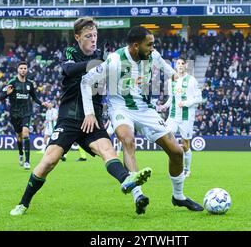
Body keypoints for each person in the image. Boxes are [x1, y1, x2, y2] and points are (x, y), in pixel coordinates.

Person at [10, 17, 151, 216]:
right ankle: (23, 203)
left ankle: (134, 189)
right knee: (50, 160)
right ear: (77, 38)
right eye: (88, 36)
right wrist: (97, 63)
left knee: (108, 152)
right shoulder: (71, 53)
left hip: (92, 117)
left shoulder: (102, 55)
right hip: (69, 117)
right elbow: (67, 69)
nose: (93, 40)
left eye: (95, 35)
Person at [81, 26, 204, 215]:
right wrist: (89, 113)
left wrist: (182, 83)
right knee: (128, 141)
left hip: (146, 109)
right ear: (136, 46)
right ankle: (138, 195)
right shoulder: (114, 60)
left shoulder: (152, 56)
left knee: (177, 152)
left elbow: (170, 71)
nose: (153, 48)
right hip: (121, 107)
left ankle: (178, 196)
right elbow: (86, 81)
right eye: (150, 45)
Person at [0, 61, 51, 169]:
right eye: (21, 68)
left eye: (25, 68)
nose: (23, 70)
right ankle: (20, 153)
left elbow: (34, 97)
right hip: (14, 114)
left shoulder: (30, 84)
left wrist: (42, 103)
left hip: (26, 112)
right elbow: (1, 97)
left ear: (27, 70)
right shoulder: (12, 82)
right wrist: (6, 94)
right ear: (18, 70)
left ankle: (27, 161)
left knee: (26, 133)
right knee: (19, 137)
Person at [157, 57, 203, 177]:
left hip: (186, 117)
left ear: (186, 65)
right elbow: (171, 98)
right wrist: (164, 106)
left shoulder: (192, 80)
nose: (180, 65)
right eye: (178, 63)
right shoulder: (171, 80)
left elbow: (199, 98)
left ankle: (187, 170)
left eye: (182, 63)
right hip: (172, 116)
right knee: (167, 140)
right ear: (175, 65)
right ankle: (174, 169)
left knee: (186, 144)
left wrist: (186, 103)